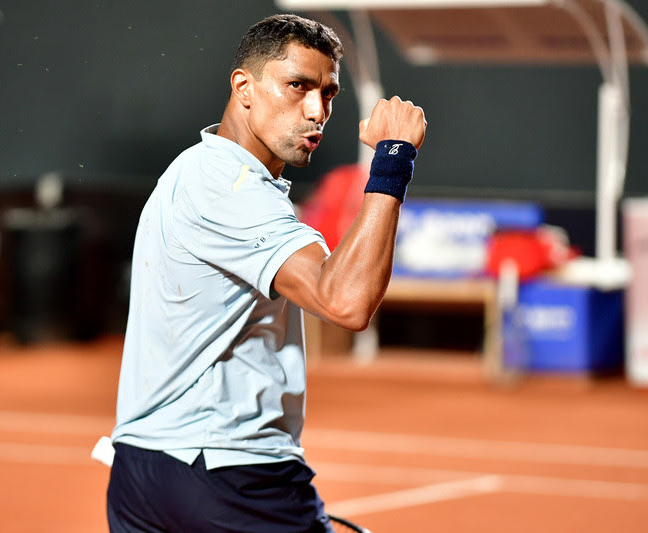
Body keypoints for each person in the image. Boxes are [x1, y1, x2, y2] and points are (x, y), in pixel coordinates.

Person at [107, 13, 427, 533]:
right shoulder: (229, 187)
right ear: (244, 88)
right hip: (228, 472)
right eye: (297, 85)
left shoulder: (199, 173)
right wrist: (394, 160)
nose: (316, 111)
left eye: (328, 93)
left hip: (145, 473)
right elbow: (344, 301)